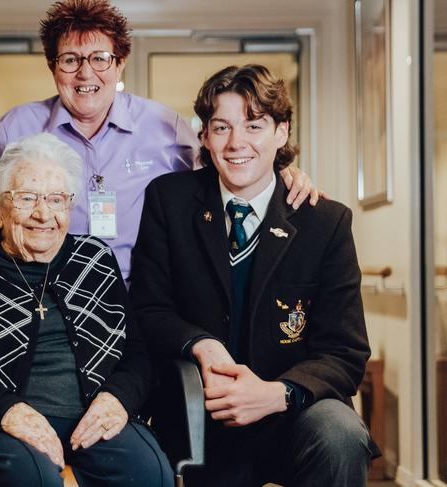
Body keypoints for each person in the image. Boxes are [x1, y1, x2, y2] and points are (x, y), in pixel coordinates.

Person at [0, 0, 319, 280]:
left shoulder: (164, 126)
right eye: (70, 59)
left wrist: (282, 170)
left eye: (100, 58)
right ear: (53, 67)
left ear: (120, 62)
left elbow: (229, 168)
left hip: (142, 298)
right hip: (40, 292)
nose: (86, 73)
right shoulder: (17, 126)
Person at [130, 64, 377, 486]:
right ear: (204, 137)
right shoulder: (168, 201)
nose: (236, 143)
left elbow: (345, 353)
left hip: (292, 413)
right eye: (221, 127)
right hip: (198, 415)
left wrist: (275, 394)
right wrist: (200, 343)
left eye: (254, 125)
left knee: (342, 433)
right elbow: (149, 309)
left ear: (282, 132)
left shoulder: (325, 222)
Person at [0, 133, 173, 487]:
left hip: (90, 418)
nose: (44, 214)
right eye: (26, 198)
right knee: (36, 479)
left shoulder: (96, 260)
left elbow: (136, 352)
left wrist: (117, 399)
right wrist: (7, 411)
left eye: (56, 200)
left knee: (149, 471)